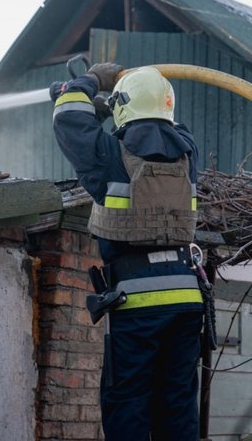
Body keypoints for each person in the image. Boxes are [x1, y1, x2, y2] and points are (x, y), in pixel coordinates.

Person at [51, 63, 204, 440]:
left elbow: (69, 117)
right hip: (187, 299)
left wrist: (90, 82)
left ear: (123, 107)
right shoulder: (188, 153)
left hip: (137, 303)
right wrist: (113, 106)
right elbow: (162, 127)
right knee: (177, 406)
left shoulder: (110, 155)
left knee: (128, 404)